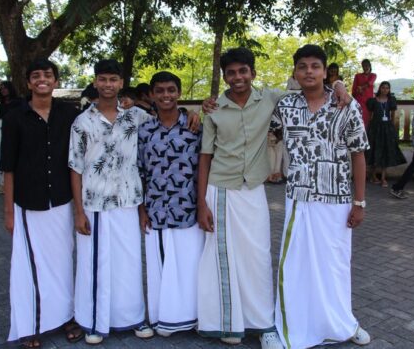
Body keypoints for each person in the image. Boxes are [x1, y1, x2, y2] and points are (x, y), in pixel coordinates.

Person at [271, 44, 370, 349]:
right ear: (295, 73)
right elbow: (258, 123)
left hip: (337, 199)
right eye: (303, 66)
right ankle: (288, 326)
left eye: (316, 66)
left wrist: (359, 202)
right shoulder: (286, 107)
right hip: (299, 197)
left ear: (326, 72)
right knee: (295, 264)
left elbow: (358, 154)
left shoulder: (345, 105)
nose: (309, 71)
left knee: (335, 264)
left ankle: (342, 322)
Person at [197, 47, 285, 349]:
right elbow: (205, 157)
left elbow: (306, 89)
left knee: (258, 255)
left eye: (243, 71)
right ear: (224, 76)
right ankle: (229, 322)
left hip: (253, 190)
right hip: (220, 189)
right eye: (231, 72)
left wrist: (338, 85)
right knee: (223, 258)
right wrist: (201, 203)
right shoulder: (213, 109)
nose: (238, 77)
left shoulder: (269, 99)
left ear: (253, 73)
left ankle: (264, 325)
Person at [68, 60, 156, 345]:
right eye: (103, 79)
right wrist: (78, 212)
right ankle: (94, 320)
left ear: (121, 83)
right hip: (94, 204)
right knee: (95, 263)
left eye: (113, 79)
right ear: (95, 82)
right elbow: (75, 167)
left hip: (129, 201)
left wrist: (192, 116)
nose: (108, 84)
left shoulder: (136, 116)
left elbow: (165, 123)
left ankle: (133, 317)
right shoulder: (82, 122)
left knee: (129, 262)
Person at [0, 59, 83, 348]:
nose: (42, 80)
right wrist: (9, 212)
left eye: (48, 75)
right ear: (28, 83)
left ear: (56, 81)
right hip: (28, 203)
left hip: (60, 200)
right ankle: (30, 324)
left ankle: (66, 317)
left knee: (62, 263)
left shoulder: (69, 114)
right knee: (28, 266)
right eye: (36, 76)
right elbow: (7, 167)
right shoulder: (14, 117)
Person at [137, 71, 204, 337]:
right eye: (160, 90)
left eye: (171, 90)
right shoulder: (144, 130)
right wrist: (141, 210)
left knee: (190, 265)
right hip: (156, 210)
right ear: (152, 94)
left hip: (188, 209)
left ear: (178, 93)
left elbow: (203, 166)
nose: (166, 95)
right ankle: (162, 317)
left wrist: (202, 205)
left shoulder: (194, 126)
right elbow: (139, 171)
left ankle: (193, 316)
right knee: (160, 268)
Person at [366, 81, 406, 187]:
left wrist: (392, 128)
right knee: (375, 150)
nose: (385, 90)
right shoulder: (373, 101)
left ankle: (383, 178)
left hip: (387, 128)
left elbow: (392, 116)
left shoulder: (391, 100)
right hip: (375, 128)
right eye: (383, 88)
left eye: (387, 88)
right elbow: (370, 116)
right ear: (380, 88)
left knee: (385, 151)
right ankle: (373, 175)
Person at [352, 59, 377, 126]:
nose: (365, 67)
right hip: (359, 100)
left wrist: (361, 87)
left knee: (368, 120)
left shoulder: (373, 75)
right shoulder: (357, 76)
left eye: (367, 66)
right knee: (359, 119)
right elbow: (354, 89)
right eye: (363, 66)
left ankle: (367, 135)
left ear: (370, 66)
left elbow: (370, 83)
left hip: (369, 101)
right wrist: (358, 91)